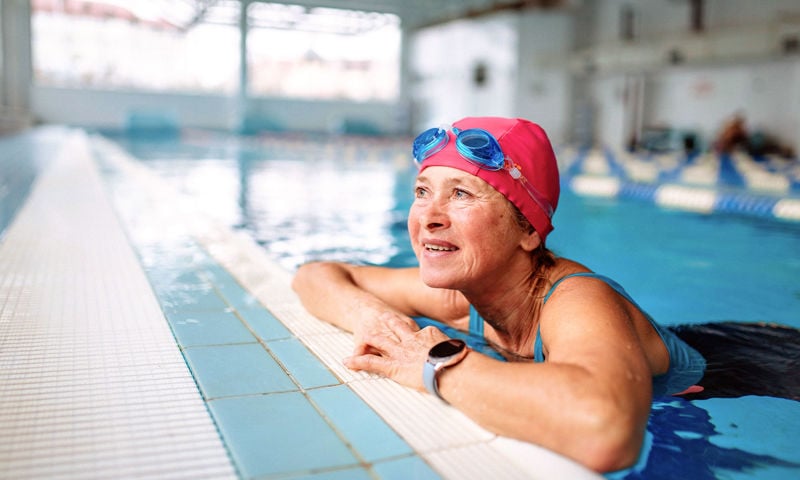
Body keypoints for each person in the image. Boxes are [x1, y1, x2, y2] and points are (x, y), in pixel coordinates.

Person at [292, 116, 706, 473]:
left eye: (460, 194)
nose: (429, 218)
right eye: (422, 192)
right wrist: (372, 316)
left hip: (742, 364)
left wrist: (435, 366)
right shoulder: (459, 294)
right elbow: (314, 275)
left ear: (527, 230)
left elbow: (605, 431)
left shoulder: (578, 298)